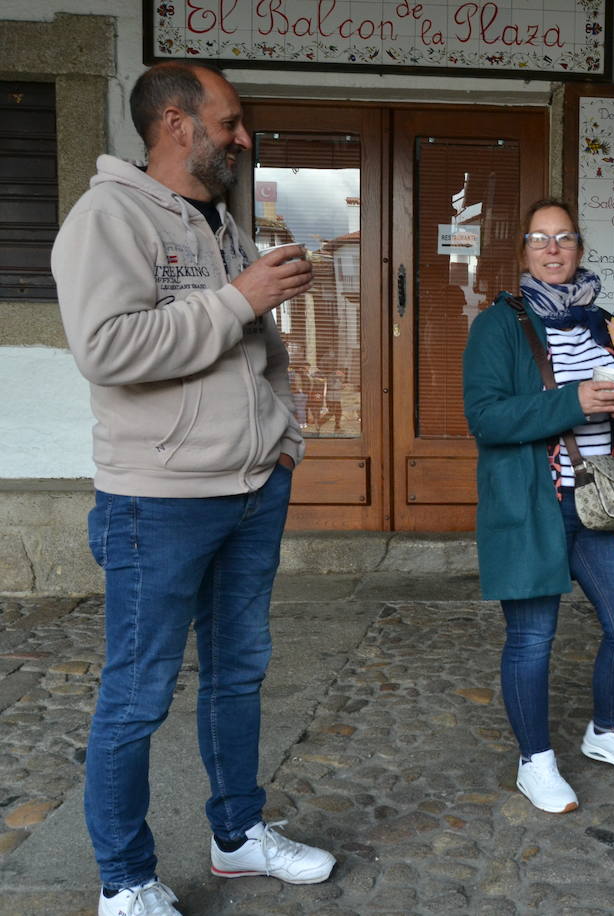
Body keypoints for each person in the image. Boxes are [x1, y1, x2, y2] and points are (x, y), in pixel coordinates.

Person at [52, 62, 335, 916]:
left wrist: (286, 436)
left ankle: (238, 837)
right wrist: (236, 298)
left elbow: (256, 348)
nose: (242, 138)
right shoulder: (107, 216)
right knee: (138, 693)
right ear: (176, 123)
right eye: (230, 122)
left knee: (239, 674)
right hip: (158, 502)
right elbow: (108, 349)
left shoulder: (221, 221)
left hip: (252, 489)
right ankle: (125, 881)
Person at [462, 198, 614, 814]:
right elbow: (486, 417)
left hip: (600, 506)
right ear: (523, 251)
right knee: (531, 640)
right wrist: (576, 401)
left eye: (565, 238)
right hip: (534, 505)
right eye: (540, 239)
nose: (553, 249)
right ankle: (536, 761)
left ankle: (607, 731)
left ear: (580, 249)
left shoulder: (604, 323)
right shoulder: (499, 325)